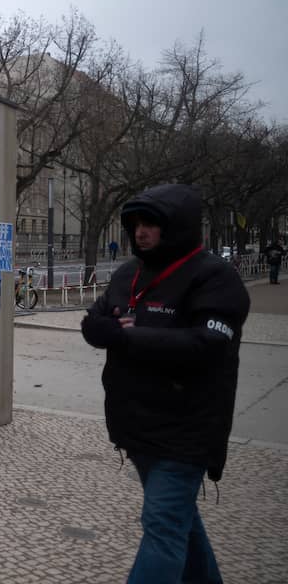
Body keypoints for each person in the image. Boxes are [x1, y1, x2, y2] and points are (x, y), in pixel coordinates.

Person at [80, 184, 249, 583]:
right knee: (178, 520)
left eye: (152, 223)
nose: (141, 232)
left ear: (177, 227)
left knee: (162, 525)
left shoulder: (215, 277)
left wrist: (127, 335)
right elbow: (93, 324)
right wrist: (110, 329)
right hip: (136, 425)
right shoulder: (128, 273)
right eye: (136, 223)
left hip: (187, 429)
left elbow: (207, 343)